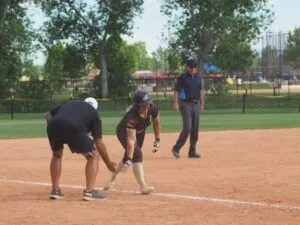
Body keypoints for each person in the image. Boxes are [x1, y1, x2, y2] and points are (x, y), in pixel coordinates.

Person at [44, 97, 116, 201]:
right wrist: (108, 163)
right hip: (73, 127)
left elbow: (47, 114)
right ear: (95, 108)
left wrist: (56, 130)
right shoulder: (93, 113)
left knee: (57, 155)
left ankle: (55, 190)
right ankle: (89, 192)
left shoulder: (72, 103)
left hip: (52, 124)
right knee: (94, 155)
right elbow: (98, 142)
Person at [102, 90, 161, 194]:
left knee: (130, 156)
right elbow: (131, 140)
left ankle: (110, 180)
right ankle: (143, 187)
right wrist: (130, 158)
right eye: (142, 105)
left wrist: (157, 140)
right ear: (136, 105)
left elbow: (156, 123)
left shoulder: (153, 109)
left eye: (147, 104)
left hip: (140, 132)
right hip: (124, 132)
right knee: (137, 154)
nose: (146, 108)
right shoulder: (131, 117)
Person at [172, 58, 204, 159]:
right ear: (187, 67)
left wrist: (202, 104)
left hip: (195, 104)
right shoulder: (183, 77)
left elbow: (201, 91)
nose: (193, 68)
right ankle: (176, 149)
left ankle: (192, 151)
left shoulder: (198, 78)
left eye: (195, 67)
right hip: (185, 105)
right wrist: (176, 103)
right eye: (191, 66)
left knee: (195, 129)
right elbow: (176, 91)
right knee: (187, 128)